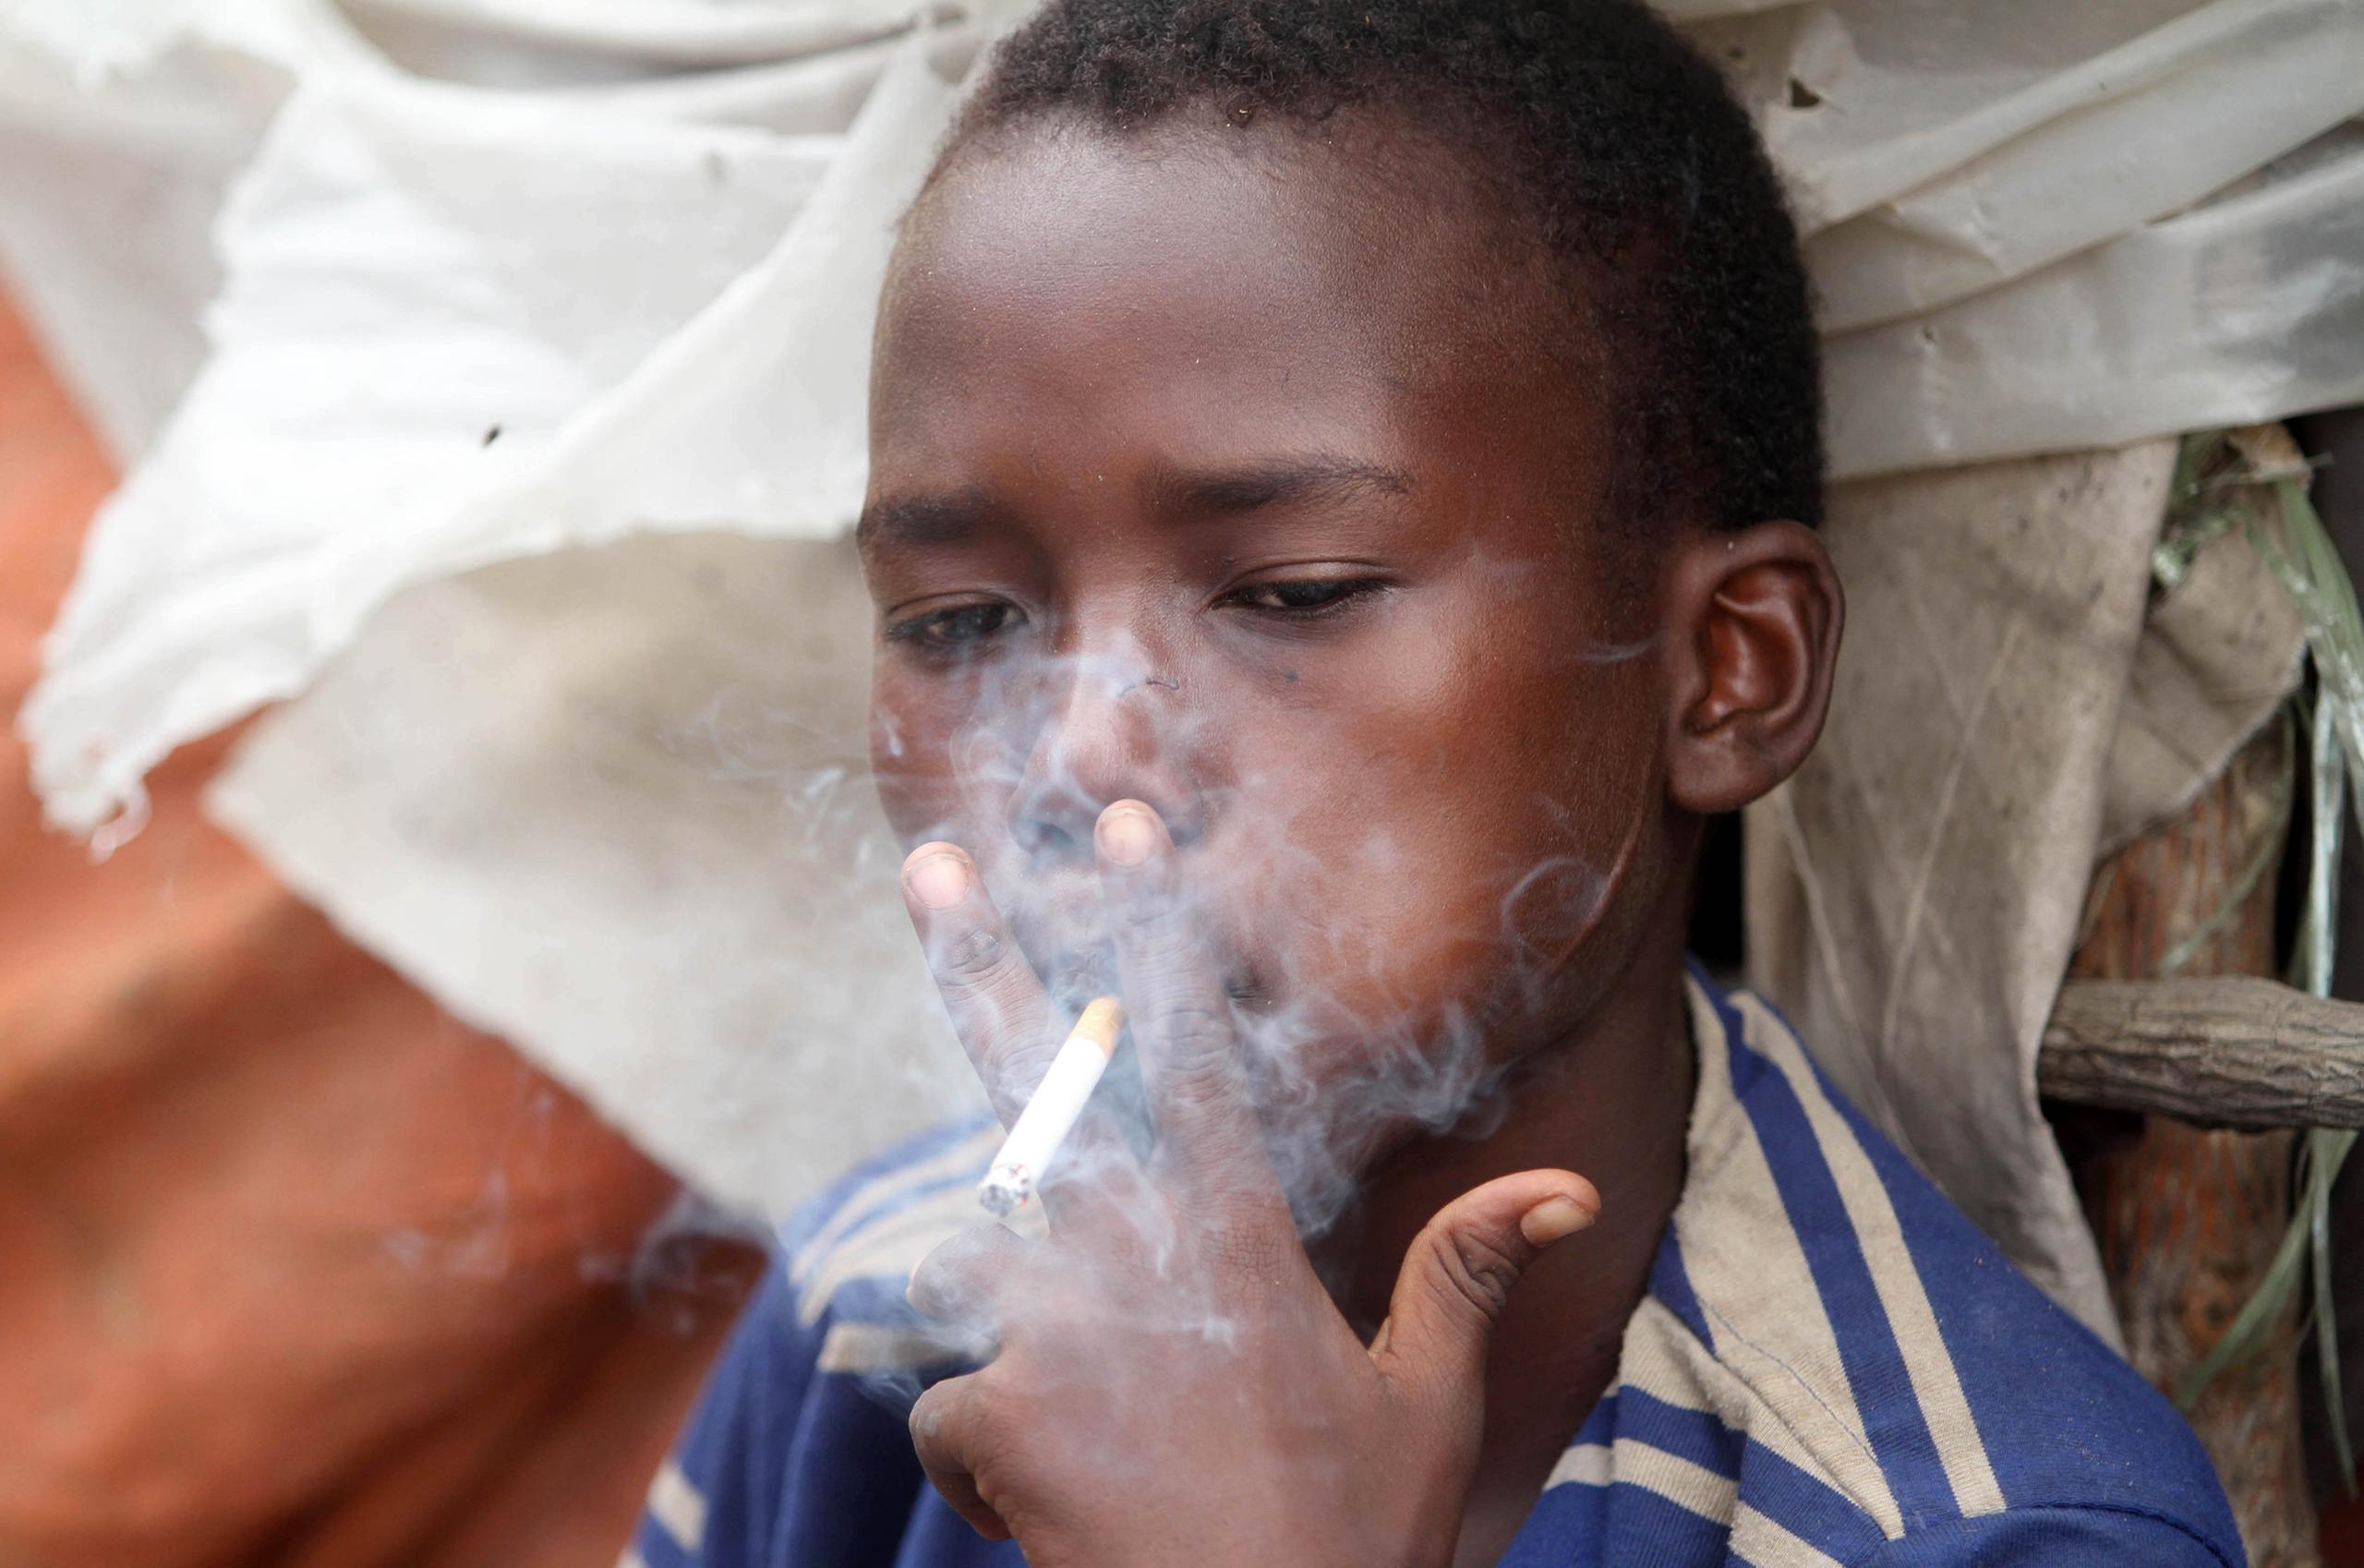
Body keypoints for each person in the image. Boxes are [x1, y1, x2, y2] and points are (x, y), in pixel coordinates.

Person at [621, 3, 2244, 1563]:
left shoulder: (1991, 1530)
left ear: (1727, 672)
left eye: (1295, 591)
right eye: (958, 618)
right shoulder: (881, 1321)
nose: (1077, 754)